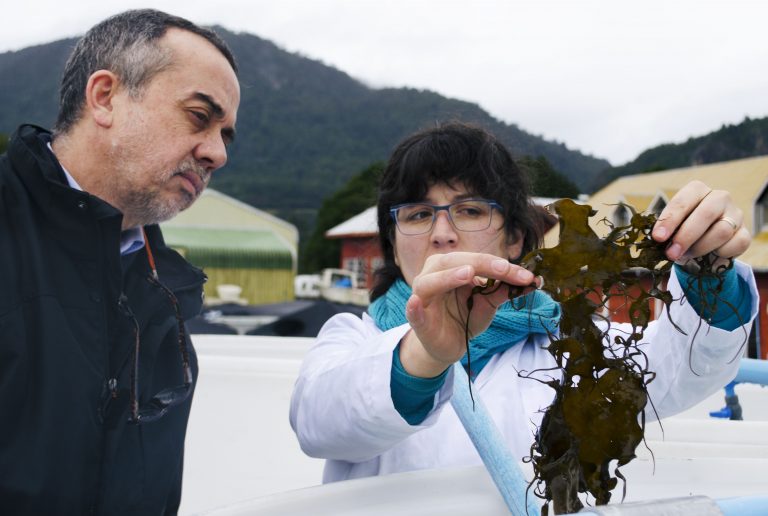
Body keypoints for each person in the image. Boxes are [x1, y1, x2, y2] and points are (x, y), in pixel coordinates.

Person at [289, 122, 757, 484]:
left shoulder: (578, 347)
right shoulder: (352, 340)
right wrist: (425, 355)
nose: (442, 231)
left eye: (470, 209)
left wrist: (708, 273)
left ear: (514, 239)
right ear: (392, 245)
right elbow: (320, 423)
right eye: (417, 214)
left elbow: (690, 366)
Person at [0, 9, 239, 514]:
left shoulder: (165, 291)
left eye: (226, 135)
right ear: (105, 97)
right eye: (200, 116)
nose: (217, 154)